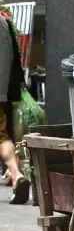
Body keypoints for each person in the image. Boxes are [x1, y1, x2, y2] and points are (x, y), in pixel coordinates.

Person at [1, 12, 30, 204]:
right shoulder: (3, 21)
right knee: (2, 137)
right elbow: (14, 56)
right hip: (1, 90)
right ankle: (17, 175)